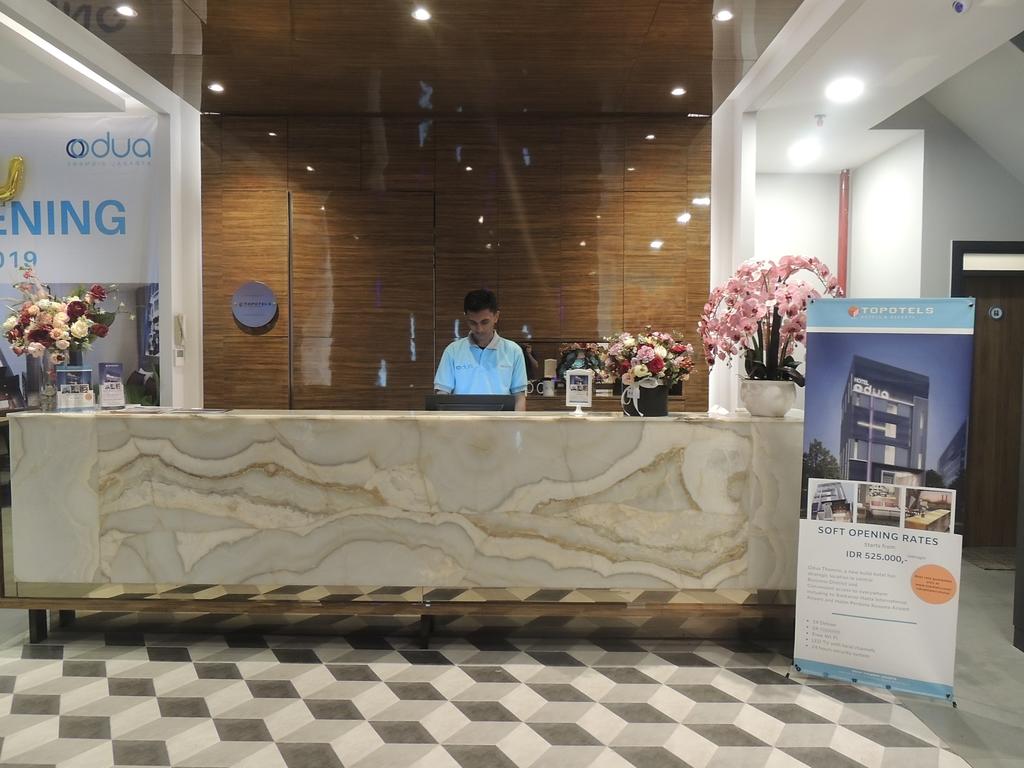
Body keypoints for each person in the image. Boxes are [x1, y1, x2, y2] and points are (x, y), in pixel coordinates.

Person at [434, 289, 527, 411]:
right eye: (473, 323)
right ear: (466, 317)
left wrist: (517, 422)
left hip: (501, 422)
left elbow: (519, 398)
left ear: (496, 316)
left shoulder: (513, 351)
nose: (479, 329)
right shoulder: (452, 351)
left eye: (485, 322)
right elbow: (442, 395)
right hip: (462, 421)